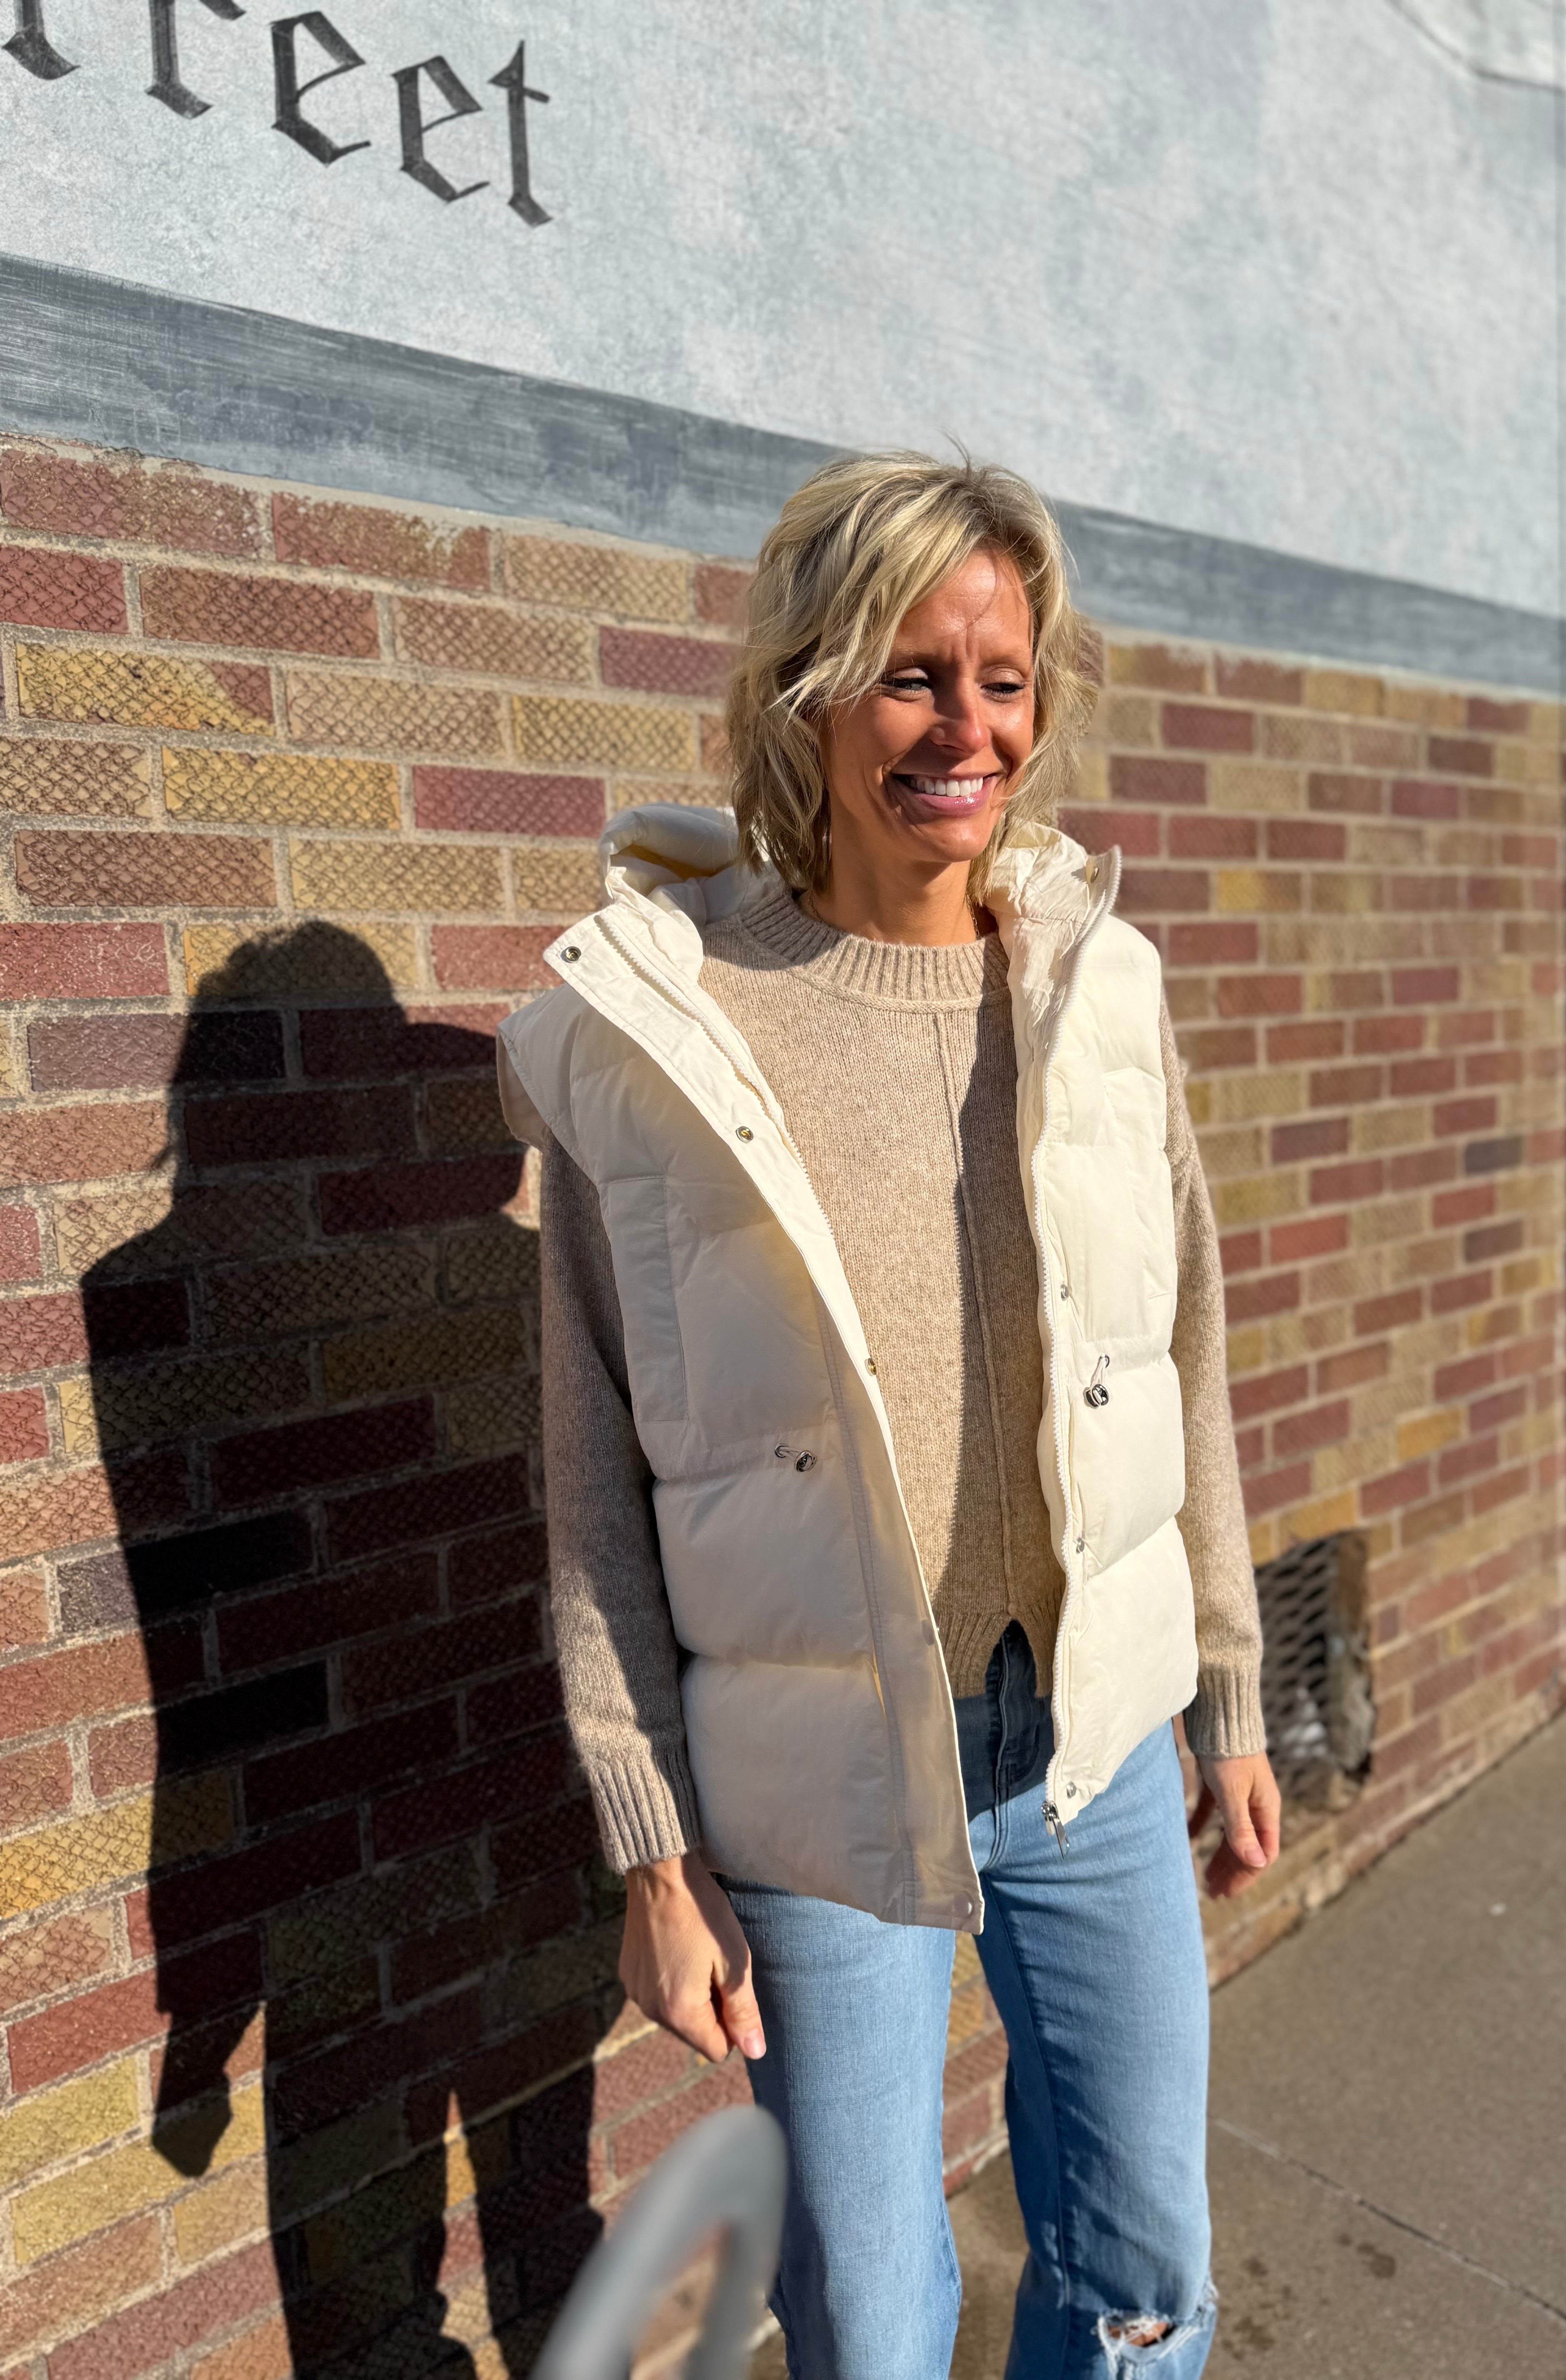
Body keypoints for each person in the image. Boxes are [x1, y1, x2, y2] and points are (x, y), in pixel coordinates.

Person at [497, 452, 1280, 2380]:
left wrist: (1230, 1689)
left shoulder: (1100, 990)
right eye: (913, 675)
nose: (966, 730)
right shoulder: (664, 1027)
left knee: (1147, 2272)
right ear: (811, 690)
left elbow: (1182, 1356)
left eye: (1004, 680)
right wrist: (653, 1851)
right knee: (868, 2317)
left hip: (1093, 1738)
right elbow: (594, 1476)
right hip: (823, 1779)